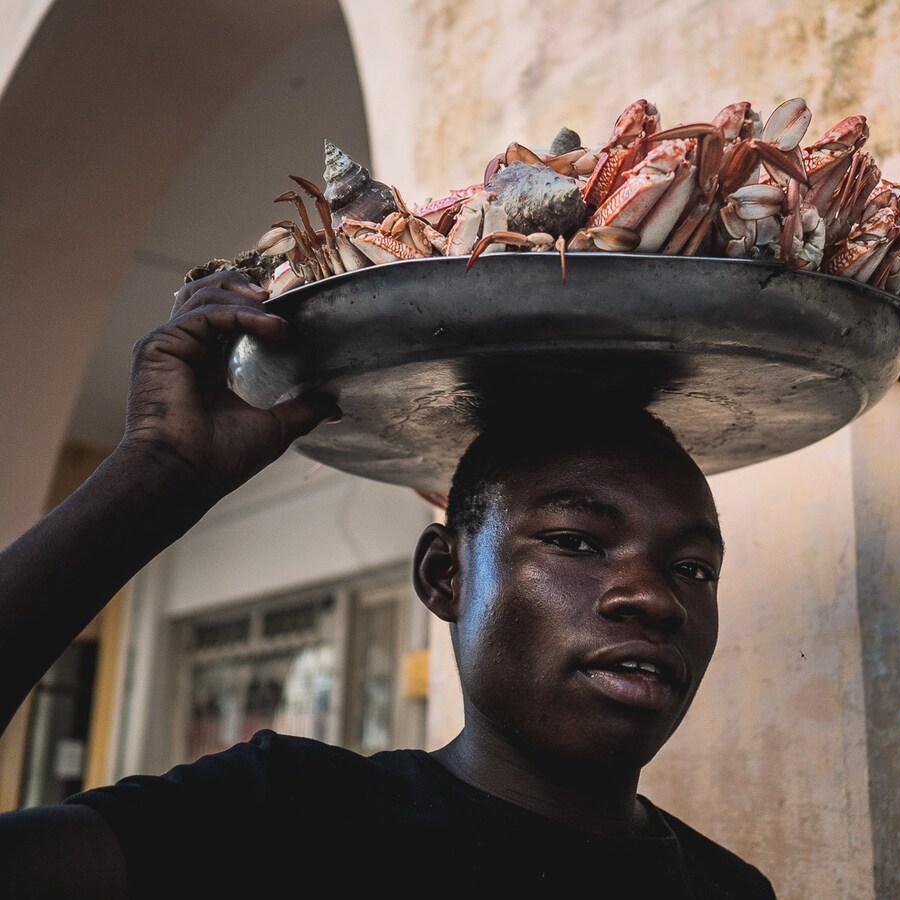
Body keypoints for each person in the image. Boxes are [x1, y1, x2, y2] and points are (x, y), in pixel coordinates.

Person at [0, 272, 775, 898]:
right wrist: (156, 474)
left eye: (692, 568)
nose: (653, 598)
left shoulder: (729, 889)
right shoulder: (284, 822)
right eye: (576, 541)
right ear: (445, 576)